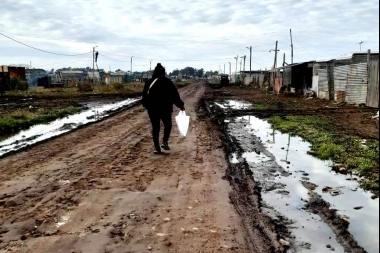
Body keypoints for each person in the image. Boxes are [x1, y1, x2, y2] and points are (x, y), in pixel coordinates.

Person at [142, 63, 185, 154]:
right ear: (163, 72)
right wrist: (180, 105)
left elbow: (144, 96)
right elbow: (175, 96)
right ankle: (165, 142)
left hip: (152, 109)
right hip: (165, 108)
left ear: (154, 72)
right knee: (168, 125)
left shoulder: (149, 82)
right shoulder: (168, 82)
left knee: (155, 127)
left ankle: (156, 147)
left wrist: (147, 106)